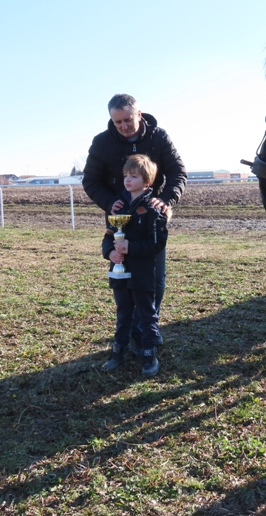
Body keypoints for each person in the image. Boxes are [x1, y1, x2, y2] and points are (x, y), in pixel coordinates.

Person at [83, 94, 186, 351]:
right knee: (123, 280)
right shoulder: (102, 143)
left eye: (128, 119)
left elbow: (177, 172)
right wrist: (109, 203)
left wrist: (165, 200)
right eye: (117, 122)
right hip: (120, 219)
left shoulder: (158, 137)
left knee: (153, 279)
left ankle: (147, 329)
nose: (124, 126)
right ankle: (127, 331)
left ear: (139, 115)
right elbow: (91, 181)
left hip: (150, 218)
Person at [101, 155, 168, 377]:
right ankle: (117, 352)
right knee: (123, 314)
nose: (127, 180)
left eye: (134, 176)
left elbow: (157, 243)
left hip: (143, 273)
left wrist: (130, 248)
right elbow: (108, 237)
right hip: (119, 273)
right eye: (125, 176)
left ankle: (149, 355)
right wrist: (110, 252)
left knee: (147, 315)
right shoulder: (118, 207)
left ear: (147, 181)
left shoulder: (153, 209)